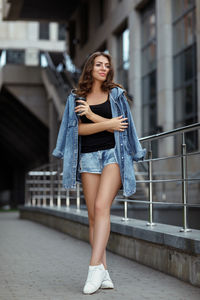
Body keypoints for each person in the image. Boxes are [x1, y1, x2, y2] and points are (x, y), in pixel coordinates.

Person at [52, 51, 146, 295]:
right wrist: (106, 123)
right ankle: (103, 271)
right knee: (94, 215)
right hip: (87, 158)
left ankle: (93, 268)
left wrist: (92, 116)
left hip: (114, 155)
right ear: (90, 68)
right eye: (99, 64)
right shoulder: (76, 97)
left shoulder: (116, 94)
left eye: (107, 65)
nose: (104, 68)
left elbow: (123, 126)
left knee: (103, 206)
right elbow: (76, 132)